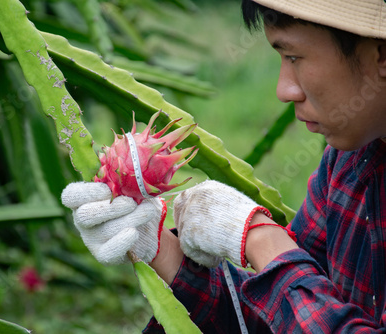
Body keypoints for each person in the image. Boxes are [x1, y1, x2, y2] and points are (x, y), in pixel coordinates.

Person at [61, 0, 386, 332]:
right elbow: (280, 317)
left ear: (381, 54)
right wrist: (158, 247)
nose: (284, 90)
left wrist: (260, 238)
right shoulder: (349, 163)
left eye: (293, 57)